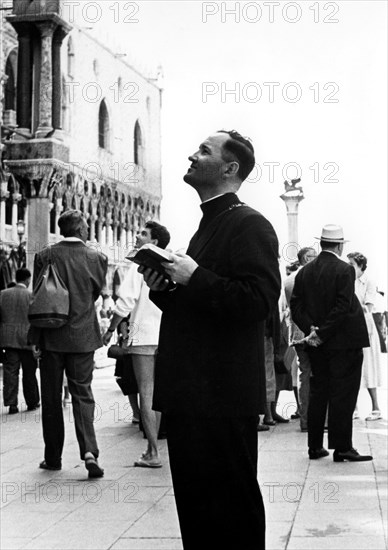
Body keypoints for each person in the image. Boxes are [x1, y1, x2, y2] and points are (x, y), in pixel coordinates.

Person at [139, 130, 281, 549]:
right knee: (199, 514)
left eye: (204, 151)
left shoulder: (249, 224)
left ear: (230, 168)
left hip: (221, 398)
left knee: (232, 512)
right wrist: (166, 288)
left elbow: (257, 300)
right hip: (192, 396)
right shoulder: (208, 226)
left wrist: (194, 276)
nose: (192, 155)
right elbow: (205, 308)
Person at [30, 210, 108, 477]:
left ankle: (53, 457)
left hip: (51, 336)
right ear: (82, 230)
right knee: (82, 394)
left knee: (51, 398)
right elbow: (96, 292)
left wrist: (35, 338)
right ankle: (89, 451)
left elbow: (38, 297)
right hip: (83, 336)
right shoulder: (97, 258)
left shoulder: (45, 255)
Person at [291, 224, 372, 462]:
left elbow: (296, 307)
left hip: (318, 345)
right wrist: (323, 332)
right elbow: (342, 306)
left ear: (321, 243)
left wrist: (312, 330)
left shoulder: (305, 271)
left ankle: (315, 446)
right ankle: (342, 447)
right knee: (343, 395)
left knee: (319, 393)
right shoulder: (344, 270)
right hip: (344, 343)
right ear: (339, 245)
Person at [103, 221, 171, 468]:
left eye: (143, 233)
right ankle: (157, 445)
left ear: (154, 241)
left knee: (147, 392)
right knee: (160, 392)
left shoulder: (141, 264)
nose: (137, 235)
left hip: (143, 336)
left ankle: (152, 451)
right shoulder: (169, 262)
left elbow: (126, 302)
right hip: (165, 336)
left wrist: (111, 328)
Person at [284, 247, 317, 431]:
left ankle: (304, 420)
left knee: (303, 374)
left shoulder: (289, 279)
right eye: (313, 256)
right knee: (316, 375)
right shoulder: (311, 277)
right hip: (311, 332)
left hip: (296, 333)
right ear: (306, 257)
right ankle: (316, 419)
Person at [347, 252, 383, 421]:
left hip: (366, 327)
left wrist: (350, 306)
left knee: (369, 367)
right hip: (351, 327)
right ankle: (354, 407)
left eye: (352, 264)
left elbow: (367, 307)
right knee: (353, 368)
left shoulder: (368, 281)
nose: (349, 267)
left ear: (361, 266)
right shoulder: (347, 280)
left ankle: (376, 407)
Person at [0, 268, 40, 414]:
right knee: (29, 372)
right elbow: (36, 319)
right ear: (28, 279)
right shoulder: (31, 295)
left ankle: (12, 404)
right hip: (27, 339)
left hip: (8, 339)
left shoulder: (3, 294)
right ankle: (32, 402)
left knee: (11, 372)